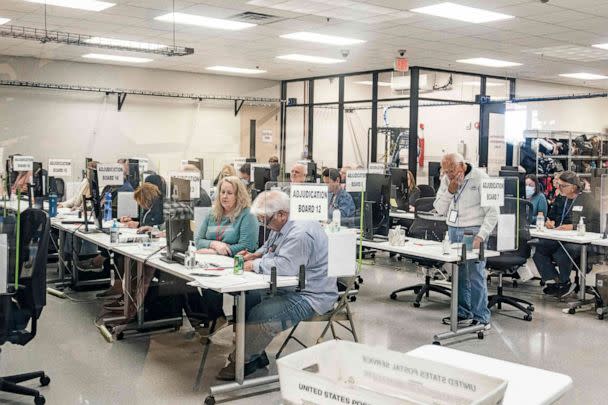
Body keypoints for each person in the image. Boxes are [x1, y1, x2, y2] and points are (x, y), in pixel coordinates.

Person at [216, 190, 338, 380]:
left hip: (310, 295)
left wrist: (253, 265)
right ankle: (255, 355)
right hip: (290, 286)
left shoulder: (300, 233)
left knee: (262, 315)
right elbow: (271, 245)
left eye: (266, 220)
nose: (264, 224)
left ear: (281, 214)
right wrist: (255, 254)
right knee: (247, 299)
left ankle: (241, 361)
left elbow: (285, 267)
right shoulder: (284, 222)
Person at [433, 153, 498, 329]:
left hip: (473, 231)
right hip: (453, 229)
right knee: (459, 274)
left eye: (452, 170)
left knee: (475, 274)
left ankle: (482, 316)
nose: (449, 175)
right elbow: (439, 208)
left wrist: (481, 235)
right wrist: (450, 190)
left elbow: (494, 212)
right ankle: (463, 313)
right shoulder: (446, 180)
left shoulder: (483, 178)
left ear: (462, 165)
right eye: (446, 171)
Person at [533, 171, 597, 298]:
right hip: (559, 236)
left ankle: (564, 282)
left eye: (563, 186)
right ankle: (553, 280)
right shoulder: (561, 198)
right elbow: (552, 215)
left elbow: (596, 224)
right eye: (559, 185)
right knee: (539, 249)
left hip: (579, 240)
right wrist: (549, 222)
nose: (559, 188)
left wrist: (573, 227)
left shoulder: (587, 200)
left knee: (562, 252)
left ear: (573, 187)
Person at [195, 176, 258, 256]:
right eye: (222, 192)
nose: (225, 196)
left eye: (229, 193)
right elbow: (198, 241)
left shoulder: (248, 215)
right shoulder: (212, 213)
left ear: (238, 196)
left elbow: (247, 246)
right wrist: (214, 244)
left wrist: (215, 252)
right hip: (209, 262)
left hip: (236, 263)